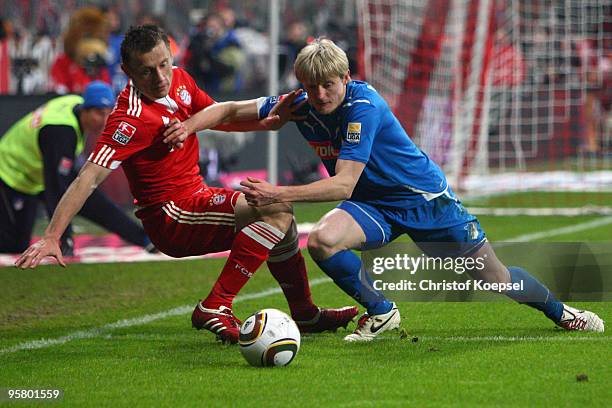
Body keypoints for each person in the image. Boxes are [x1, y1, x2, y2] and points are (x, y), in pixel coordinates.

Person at [169, 38, 605, 342]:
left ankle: (564, 314)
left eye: (329, 84)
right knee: (321, 240)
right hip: (375, 204)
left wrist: (278, 194)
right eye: (311, 85)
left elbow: (342, 183)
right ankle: (382, 312)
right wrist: (189, 124)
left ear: (345, 76)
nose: (320, 94)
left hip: (425, 203)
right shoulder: (300, 103)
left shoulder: (364, 106)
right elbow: (228, 108)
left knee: (495, 279)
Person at [15, 26, 357, 344]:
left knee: (281, 219)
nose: (161, 77)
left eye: (164, 64)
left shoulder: (179, 80)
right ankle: (216, 305)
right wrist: (52, 235)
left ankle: (305, 314)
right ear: (129, 72)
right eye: (148, 71)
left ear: (171, 56)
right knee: (275, 208)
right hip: (170, 216)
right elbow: (87, 177)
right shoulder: (129, 119)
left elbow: (218, 115)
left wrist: (265, 124)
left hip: (196, 197)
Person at [0, 81, 155, 255]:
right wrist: (63, 238)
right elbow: (55, 188)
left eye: (107, 113)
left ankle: (144, 238)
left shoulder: (75, 104)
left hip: (36, 175)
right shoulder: (61, 131)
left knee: (88, 194)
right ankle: (142, 238)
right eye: (98, 113)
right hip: (9, 174)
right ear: (85, 110)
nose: (104, 121)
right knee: (14, 246)